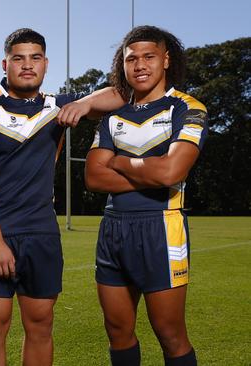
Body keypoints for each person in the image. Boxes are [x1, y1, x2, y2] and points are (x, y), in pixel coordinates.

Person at [0, 28, 125, 366]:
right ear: (4, 63)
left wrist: (83, 103)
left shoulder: (58, 106)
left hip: (41, 234)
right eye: (18, 58)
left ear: (46, 63)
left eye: (35, 58)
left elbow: (123, 94)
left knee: (40, 326)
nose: (27, 65)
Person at [85, 25, 206, 366]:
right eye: (131, 59)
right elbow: (94, 177)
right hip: (112, 231)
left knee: (169, 333)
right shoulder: (112, 117)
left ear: (166, 60)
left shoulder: (187, 108)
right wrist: (150, 170)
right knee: (117, 329)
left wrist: (120, 161)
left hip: (161, 229)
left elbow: (172, 173)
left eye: (148, 57)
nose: (139, 65)